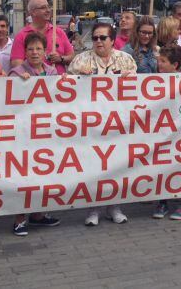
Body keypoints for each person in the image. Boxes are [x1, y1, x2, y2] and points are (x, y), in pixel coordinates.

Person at [68, 22, 136, 226]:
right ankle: (93, 209)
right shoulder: (81, 60)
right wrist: (77, 78)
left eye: (102, 38)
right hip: (91, 124)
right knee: (94, 167)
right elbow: (65, 88)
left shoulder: (126, 60)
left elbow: (139, 88)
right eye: (95, 38)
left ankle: (114, 206)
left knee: (117, 166)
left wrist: (131, 79)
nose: (98, 41)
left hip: (118, 123)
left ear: (112, 40)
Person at [8, 32, 61, 235]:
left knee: (43, 173)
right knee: (24, 176)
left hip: (47, 131)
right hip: (25, 133)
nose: (35, 52)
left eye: (39, 48)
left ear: (45, 51)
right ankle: (19, 219)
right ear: (25, 51)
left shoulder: (52, 72)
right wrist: (21, 85)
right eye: (30, 49)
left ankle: (38, 214)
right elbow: (9, 101)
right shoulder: (16, 73)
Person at [151, 45, 181, 220]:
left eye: (163, 61)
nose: (159, 64)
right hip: (162, 131)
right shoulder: (153, 81)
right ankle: (163, 201)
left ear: (175, 65)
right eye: (159, 60)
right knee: (162, 164)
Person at [11, 0, 74, 74]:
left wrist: (61, 58)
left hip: (58, 80)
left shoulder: (58, 32)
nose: (48, 10)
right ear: (33, 12)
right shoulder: (21, 35)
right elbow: (17, 64)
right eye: (43, 8)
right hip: (33, 80)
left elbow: (72, 57)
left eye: (48, 7)